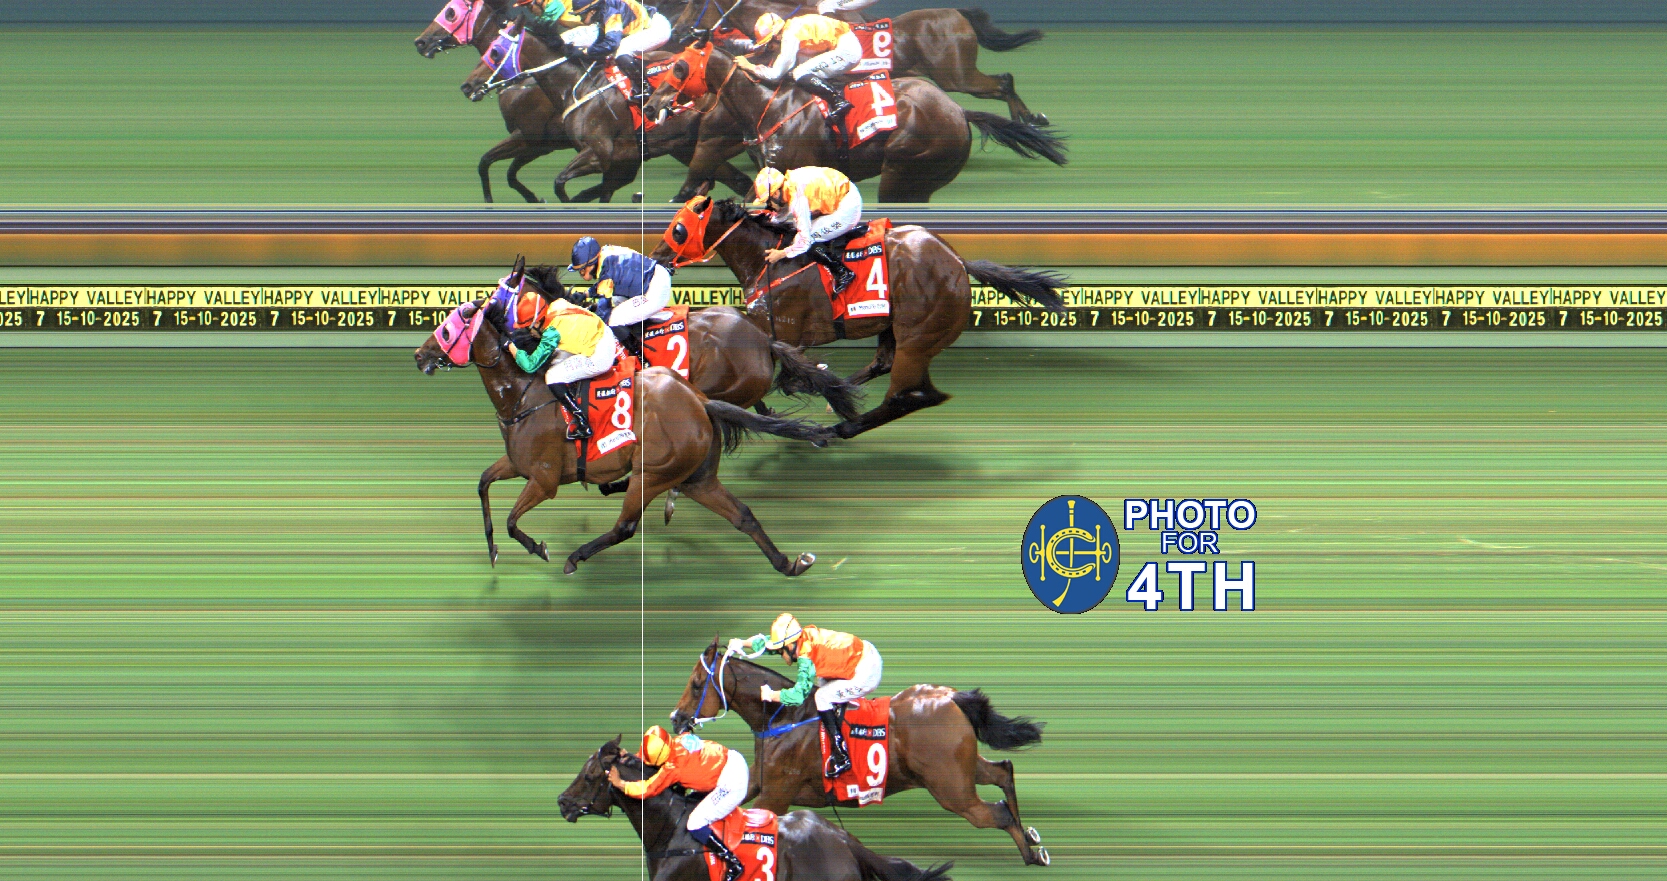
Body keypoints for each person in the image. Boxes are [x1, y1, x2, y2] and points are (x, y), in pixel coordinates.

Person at [728, 613, 883, 779]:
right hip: (861, 655)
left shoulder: (805, 656)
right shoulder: (800, 639)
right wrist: (742, 643)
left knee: (822, 696)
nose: (779, 653)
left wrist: (772, 695)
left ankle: (841, 754)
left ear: (790, 646)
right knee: (822, 685)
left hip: (867, 672)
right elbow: (768, 643)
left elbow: (798, 695)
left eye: (781, 651)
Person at [610, 726, 749, 881]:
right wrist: (630, 757)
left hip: (732, 784)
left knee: (695, 822)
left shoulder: (673, 768)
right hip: (733, 759)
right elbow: (652, 758)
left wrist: (621, 784)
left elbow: (648, 789)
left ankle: (732, 862)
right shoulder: (680, 740)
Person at [504, 293, 617, 440]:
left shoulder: (551, 333)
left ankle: (582, 423)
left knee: (552, 376)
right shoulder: (557, 303)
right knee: (557, 358)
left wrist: (510, 346)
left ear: (536, 323)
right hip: (604, 333)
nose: (529, 332)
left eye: (528, 328)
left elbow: (530, 365)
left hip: (600, 355)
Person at [736, 12, 860, 133]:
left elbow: (775, 75)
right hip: (842, 43)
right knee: (799, 71)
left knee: (799, 72)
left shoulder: (790, 35)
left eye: (769, 44)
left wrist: (749, 66)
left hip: (847, 51)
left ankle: (838, 101)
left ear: (777, 37)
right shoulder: (792, 27)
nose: (770, 48)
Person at [752, 166, 864, 295]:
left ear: (776, 194)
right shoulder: (789, 182)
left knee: (807, 238)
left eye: (768, 201)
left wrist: (781, 254)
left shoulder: (797, 198)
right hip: (843, 194)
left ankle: (843, 272)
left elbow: (804, 242)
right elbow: (783, 211)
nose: (769, 205)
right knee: (799, 229)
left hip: (848, 208)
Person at [568, 236, 673, 355]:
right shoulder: (605, 253)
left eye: (582, 270)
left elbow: (603, 312)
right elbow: (606, 284)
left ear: (592, 263)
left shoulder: (607, 271)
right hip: (655, 276)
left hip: (655, 290)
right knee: (616, 300)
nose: (582, 275)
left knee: (614, 320)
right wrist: (586, 294)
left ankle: (638, 355)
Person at [559, 0, 672, 99]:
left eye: (583, 15)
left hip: (656, 28)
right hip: (644, 27)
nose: (581, 19)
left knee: (622, 50)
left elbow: (612, 44)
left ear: (592, 11)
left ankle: (645, 88)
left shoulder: (611, 11)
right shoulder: (603, 9)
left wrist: (586, 52)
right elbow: (603, 39)